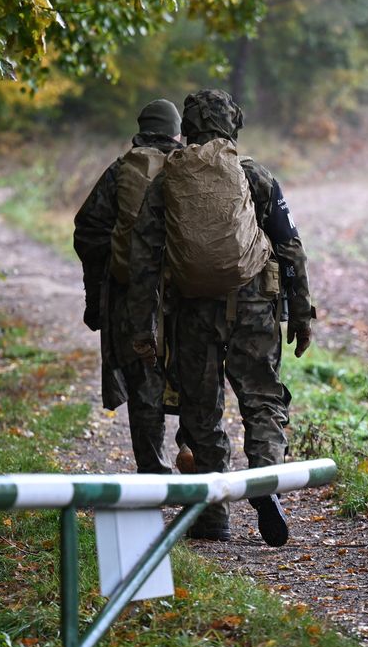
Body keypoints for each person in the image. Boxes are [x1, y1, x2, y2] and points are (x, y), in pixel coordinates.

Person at [128, 89, 315, 546]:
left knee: (201, 409)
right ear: (233, 126)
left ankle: (214, 517)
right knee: (262, 399)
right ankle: (266, 480)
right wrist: (301, 312)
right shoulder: (254, 175)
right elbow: (290, 246)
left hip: (193, 309)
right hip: (253, 306)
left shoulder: (168, 180)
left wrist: (140, 325)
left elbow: (143, 259)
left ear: (187, 129)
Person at [72, 99, 188, 475]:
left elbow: (88, 230)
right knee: (197, 379)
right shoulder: (194, 167)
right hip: (191, 295)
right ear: (177, 132)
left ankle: (155, 472)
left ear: (140, 130)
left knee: (144, 383)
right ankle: (195, 457)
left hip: (133, 297)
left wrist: (98, 294)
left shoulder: (121, 170)